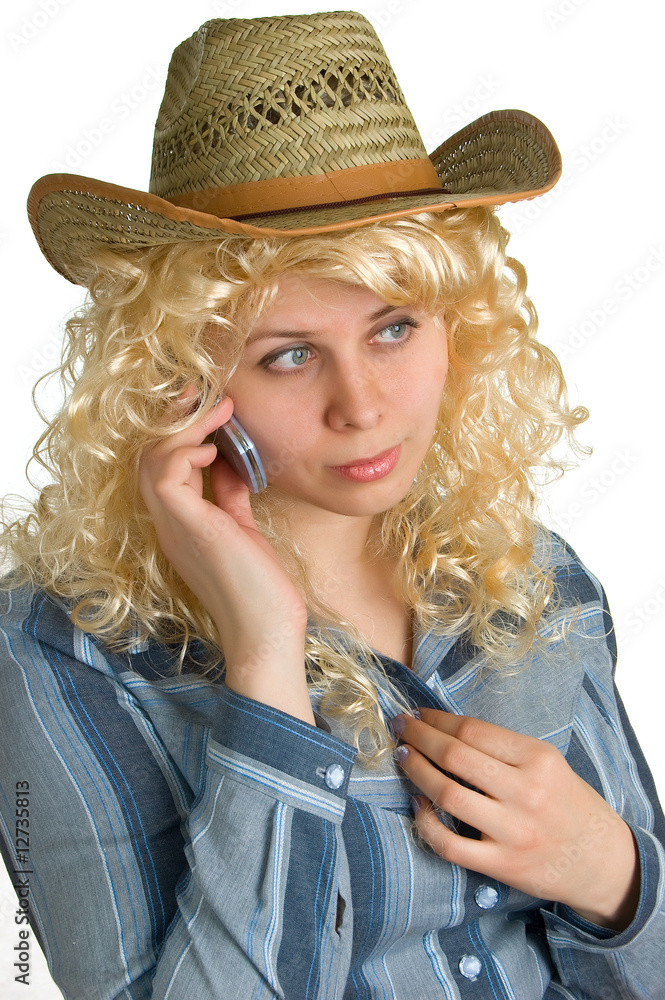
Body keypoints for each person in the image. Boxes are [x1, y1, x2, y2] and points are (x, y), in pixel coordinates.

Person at [1, 10, 663, 999]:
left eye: (393, 329)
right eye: (290, 355)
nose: (360, 407)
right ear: (181, 376)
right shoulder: (68, 647)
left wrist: (609, 874)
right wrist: (264, 657)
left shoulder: (530, 574)